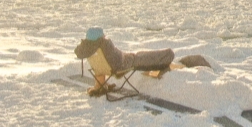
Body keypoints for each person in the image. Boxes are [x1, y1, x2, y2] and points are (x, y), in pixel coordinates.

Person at [74, 27, 210, 96]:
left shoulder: (88, 49)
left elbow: (107, 62)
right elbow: (117, 60)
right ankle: (168, 55)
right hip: (122, 65)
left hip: (104, 68)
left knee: (137, 55)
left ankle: (99, 86)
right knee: (140, 57)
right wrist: (126, 59)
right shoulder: (104, 45)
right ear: (100, 37)